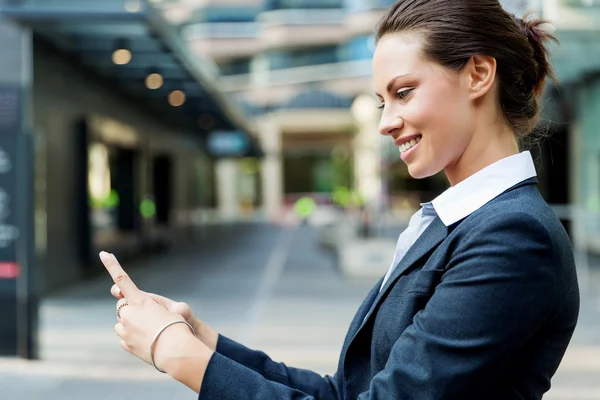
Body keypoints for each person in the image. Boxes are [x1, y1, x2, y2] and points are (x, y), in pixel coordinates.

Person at [100, 0, 580, 398]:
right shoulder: (454, 224)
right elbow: (346, 392)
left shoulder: (513, 237)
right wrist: (201, 339)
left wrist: (176, 354)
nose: (386, 121)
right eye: (381, 101)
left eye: (404, 92)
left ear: (478, 74)